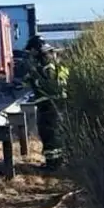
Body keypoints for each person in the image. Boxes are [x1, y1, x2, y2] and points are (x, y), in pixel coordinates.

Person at [26, 41, 69, 169]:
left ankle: (53, 164)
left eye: (32, 51)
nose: (31, 55)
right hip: (53, 104)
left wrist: (33, 77)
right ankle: (55, 162)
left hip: (50, 104)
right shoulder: (52, 63)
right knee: (51, 133)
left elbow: (48, 85)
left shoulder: (47, 65)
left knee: (50, 134)